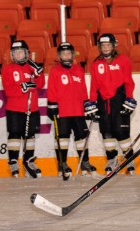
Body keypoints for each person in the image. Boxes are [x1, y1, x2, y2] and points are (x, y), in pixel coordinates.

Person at [46, 42, 98, 178]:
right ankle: (62, 163)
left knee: (82, 137)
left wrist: (87, 105)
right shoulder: (55, 70)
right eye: (63, 54)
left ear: (73, 55)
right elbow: (52, 89)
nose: (66, 56)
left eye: (68, 53)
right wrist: (52, 105)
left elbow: (82, 89)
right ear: (59, 56)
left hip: (78, 110)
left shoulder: (78, 69)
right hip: (62, 111)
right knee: (62, 138)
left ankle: (84, 162)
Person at [89, 34, 138, 175]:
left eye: (108, 45)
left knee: (121, 132)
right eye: (103, 46)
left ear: (113, 46)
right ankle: (112, 160)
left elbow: (129, 81)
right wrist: (92, 102)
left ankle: (129, 160)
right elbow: (94, 86)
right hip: (102, 101)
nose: (105, 48)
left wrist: (129, 98)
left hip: (119, 99)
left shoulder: (123, 60)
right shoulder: (95, 63)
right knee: (106, 132)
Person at [1, 40, 44, 178]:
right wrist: (23, 87)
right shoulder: (7, 69)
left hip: (32, 106)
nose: (18, 55)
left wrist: (38, 73)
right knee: (14, 134)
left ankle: (28, 160)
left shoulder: (32, 67)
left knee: (30, 135)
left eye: (21, 52)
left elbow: (40, 84)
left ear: (26, 53)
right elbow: (8, 91)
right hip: (14, 107)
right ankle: (13, 161)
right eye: (15, 52)